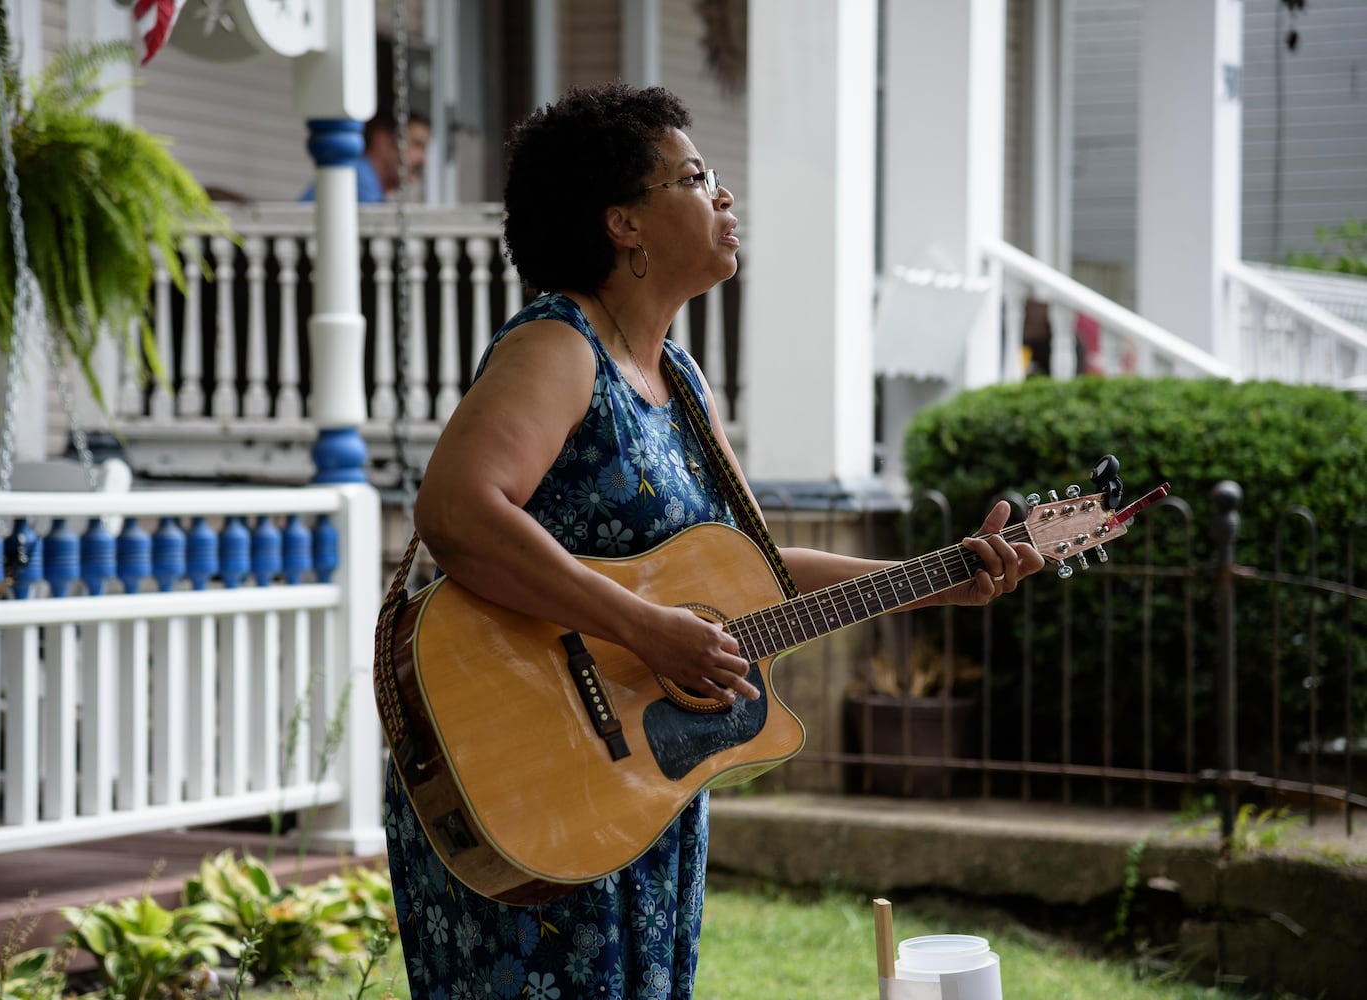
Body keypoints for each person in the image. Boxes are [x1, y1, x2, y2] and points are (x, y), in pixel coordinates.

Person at [385, 82, 1044, 999]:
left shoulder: (681, 379)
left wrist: (936, 580)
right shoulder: (559, 345)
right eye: (695, 177)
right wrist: (647, 629)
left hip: (630, 790)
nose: (724, 197)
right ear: (625, 224)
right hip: (524, 766)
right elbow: (456, 512)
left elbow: (759, 578)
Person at [300, 110, 430, 203]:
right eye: (416, 144)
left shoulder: (361, 177)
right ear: (381, 140)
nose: (423, 159)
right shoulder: (358, 180)